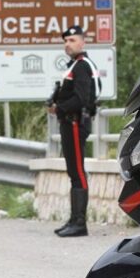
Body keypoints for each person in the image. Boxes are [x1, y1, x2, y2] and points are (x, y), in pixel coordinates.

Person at [47, 25, 99, 237]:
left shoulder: (82, 66)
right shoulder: (74, 66)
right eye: (66, 41)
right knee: (73, 172)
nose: (67, 44)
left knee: (77, 172)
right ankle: (73, 220)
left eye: (72, 40)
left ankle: (80, 223)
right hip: (69, 123)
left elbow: (82, 99)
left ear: (82, 42)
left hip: (76, 122)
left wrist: (59, 108)